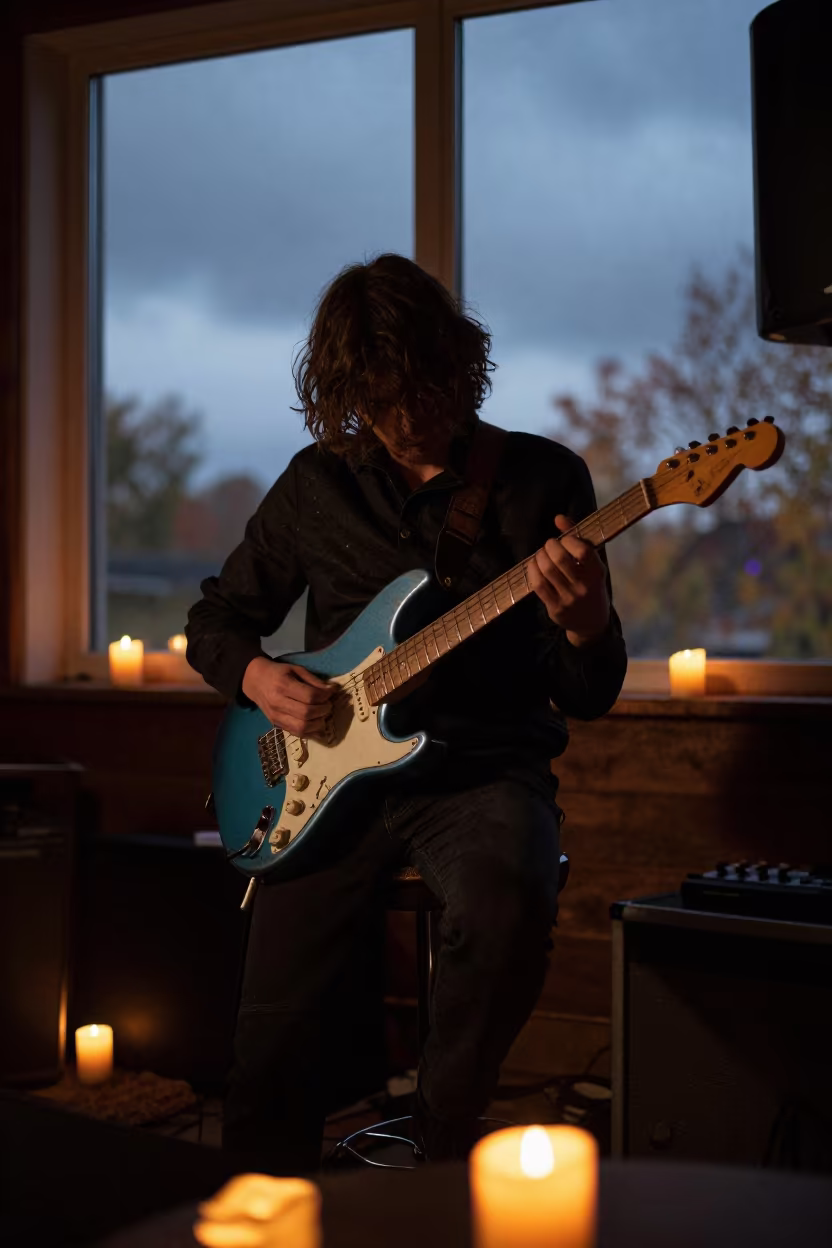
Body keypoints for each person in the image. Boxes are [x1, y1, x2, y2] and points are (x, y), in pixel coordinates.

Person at [185, 253, 627, 1171]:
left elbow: (589, 693)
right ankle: (261, 1200)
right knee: (268, 1045)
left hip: (479, 770)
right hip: (314, 778)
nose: (403, 422)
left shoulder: (543, 482)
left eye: (421, 392)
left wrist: (586, 622)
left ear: (458, 367)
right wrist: (262, 680)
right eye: (377, 403)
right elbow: (215, 621)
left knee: (510, 894)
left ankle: (434, 1139)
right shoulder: (318, 483)